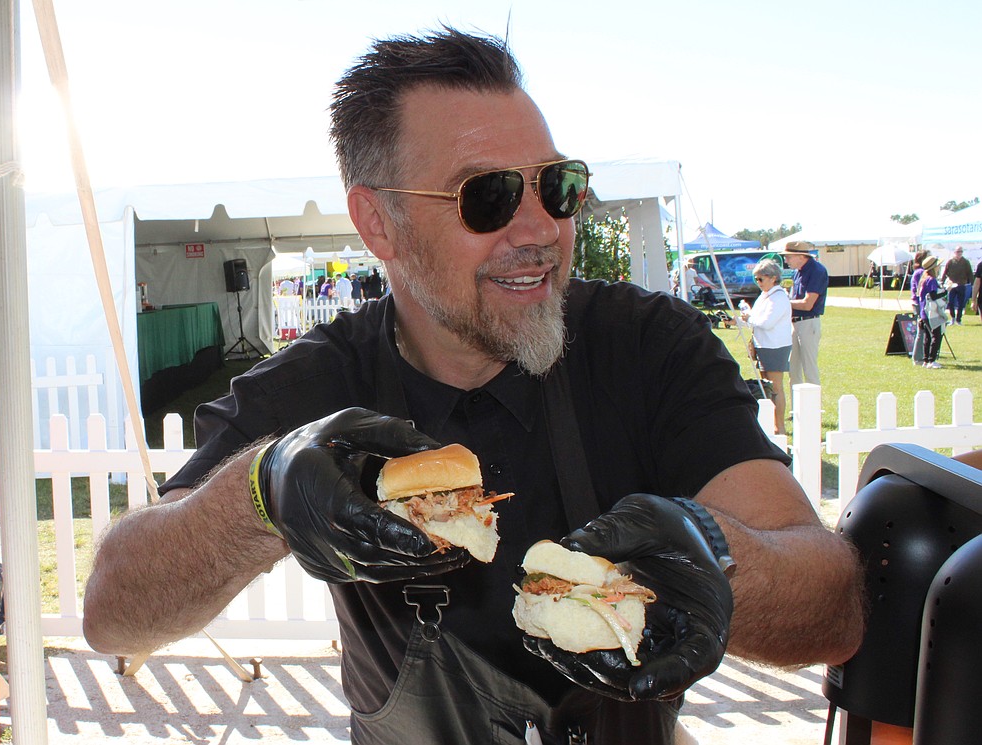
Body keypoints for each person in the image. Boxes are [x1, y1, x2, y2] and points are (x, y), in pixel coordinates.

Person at [82, 28, 864, 745]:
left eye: (556, 186)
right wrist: (260, 493)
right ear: (379, 224)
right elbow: (112, 612)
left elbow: (834, 606)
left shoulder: (647, 346)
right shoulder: (325, 381)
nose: (539, 230)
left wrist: (719, 559)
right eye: (487, 196)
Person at [739, 260, 792, 434]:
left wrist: (749, 318)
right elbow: (757, 319)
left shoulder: (779, 297)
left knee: (775, 388)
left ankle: (780, 427)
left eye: (760, 279)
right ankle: (769, 423)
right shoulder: (766, 295)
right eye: (756, 279)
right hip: (763, 344)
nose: (758, 283)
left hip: (775, 346)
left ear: (773, 278)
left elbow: (766, 322)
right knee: (765, 387)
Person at [783, 241, 828, 386]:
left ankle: (813, 407)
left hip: (808, 322)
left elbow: (808, 304)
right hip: (794, 323)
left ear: (801, 256)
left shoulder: (817, 271)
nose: (786, 260)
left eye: (788, 257)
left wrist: (784, 303)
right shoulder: (797, 272)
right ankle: (797, 408)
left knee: (809, 369)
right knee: (793, 371)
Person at [918, 255, 946, 368]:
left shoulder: (924, 279)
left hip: (924, 312)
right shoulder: (932, 280)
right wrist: (946, 291)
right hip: (931, 312)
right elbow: (933, 295)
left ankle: (926, 360)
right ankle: (932, 360)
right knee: (936, 335)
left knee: (928, 337)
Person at [908, 249, 930, 365]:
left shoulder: (921, 271)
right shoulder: (920, 272)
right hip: (919, 303)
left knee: (924, 330)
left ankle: (924, 355)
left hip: (921, 303)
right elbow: (919, 291)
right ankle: (918, 358)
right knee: (921, 330)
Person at [941, 246, 972, 325]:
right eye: (958, 251)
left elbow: (970, 273)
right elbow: (945, 272)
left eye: (961, 251)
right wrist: (942, 281)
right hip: (952, 285)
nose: (959, 253)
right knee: (950, 302)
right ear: (954, 252)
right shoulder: (950, 262)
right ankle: (953, 318)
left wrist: (973, 283)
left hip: (961, 285)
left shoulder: (965, 262)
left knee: (961, 303)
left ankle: (959, 319)